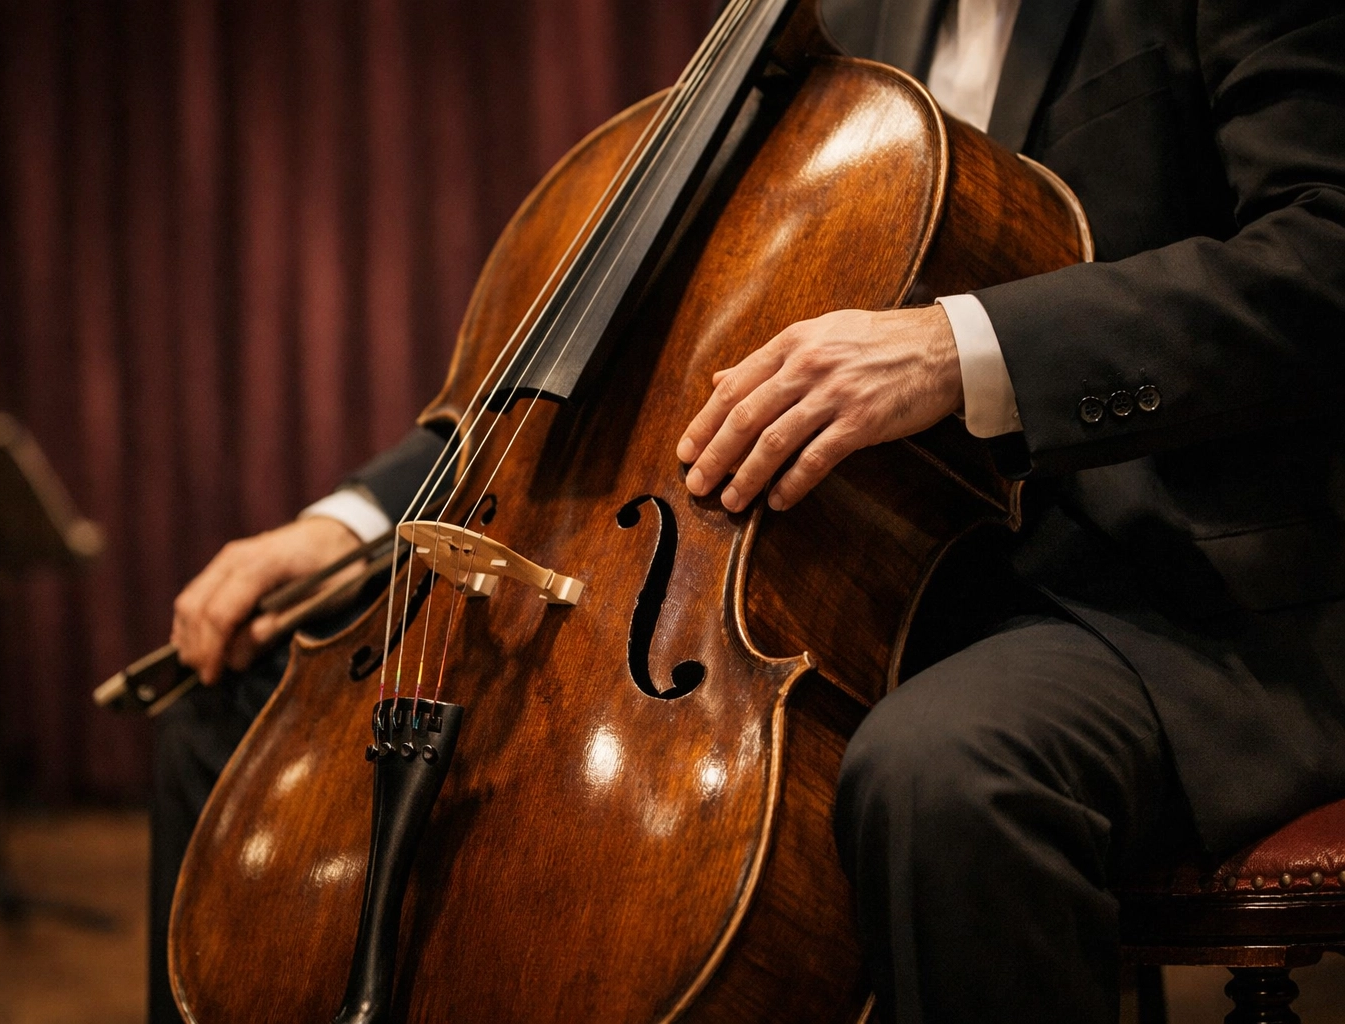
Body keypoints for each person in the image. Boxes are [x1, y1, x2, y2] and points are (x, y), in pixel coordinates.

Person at [150, 0, 1345, 1021]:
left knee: (942, 775)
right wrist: (348, 522)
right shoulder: (846, 21)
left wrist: (956, 346)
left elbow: (1322, 257)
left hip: (1168, 589)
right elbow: (606, 345)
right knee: (236, 700)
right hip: (864, 571)